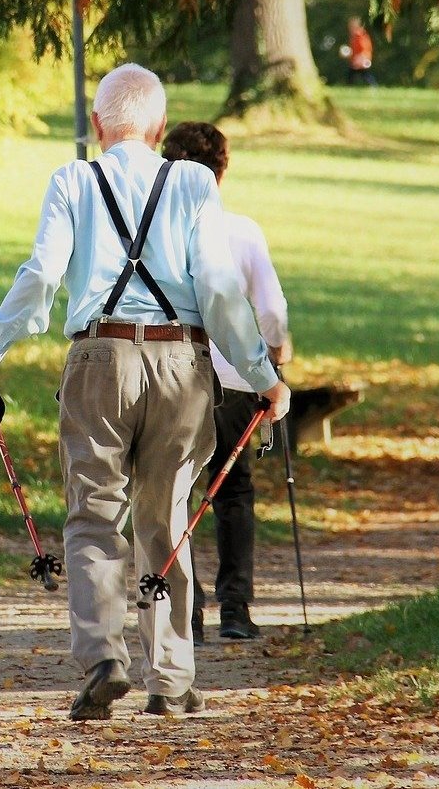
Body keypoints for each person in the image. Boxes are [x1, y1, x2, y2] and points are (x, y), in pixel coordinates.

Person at [0, 63, 291, 720]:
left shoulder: (73, 180)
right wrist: (263, 376)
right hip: (180, 363)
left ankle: (104, 659)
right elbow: (221, 293)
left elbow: (41, 275)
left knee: (92, 515)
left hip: (98, 359)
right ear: (160, 128)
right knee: (167, 519)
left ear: (96, 126)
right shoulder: (194, 183)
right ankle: (170, 679)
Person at [159, 121, 290, 644]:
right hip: (237, 377)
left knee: (178, 489)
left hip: (176, 374)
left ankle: (186, 613)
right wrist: (277, 351)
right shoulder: (242, 231)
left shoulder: (159, 233)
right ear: (223, 170)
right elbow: (272, 308)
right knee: (233, 490)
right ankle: (235, 608)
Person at [344, 17, 376, 87]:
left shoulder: (359, 35)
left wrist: (360, 59)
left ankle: (374, 86)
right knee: (358, 74)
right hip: (359, 59)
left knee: (363, 74)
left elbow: (364, 48)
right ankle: (373, 86)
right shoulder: (355, 36)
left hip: (362, 59)